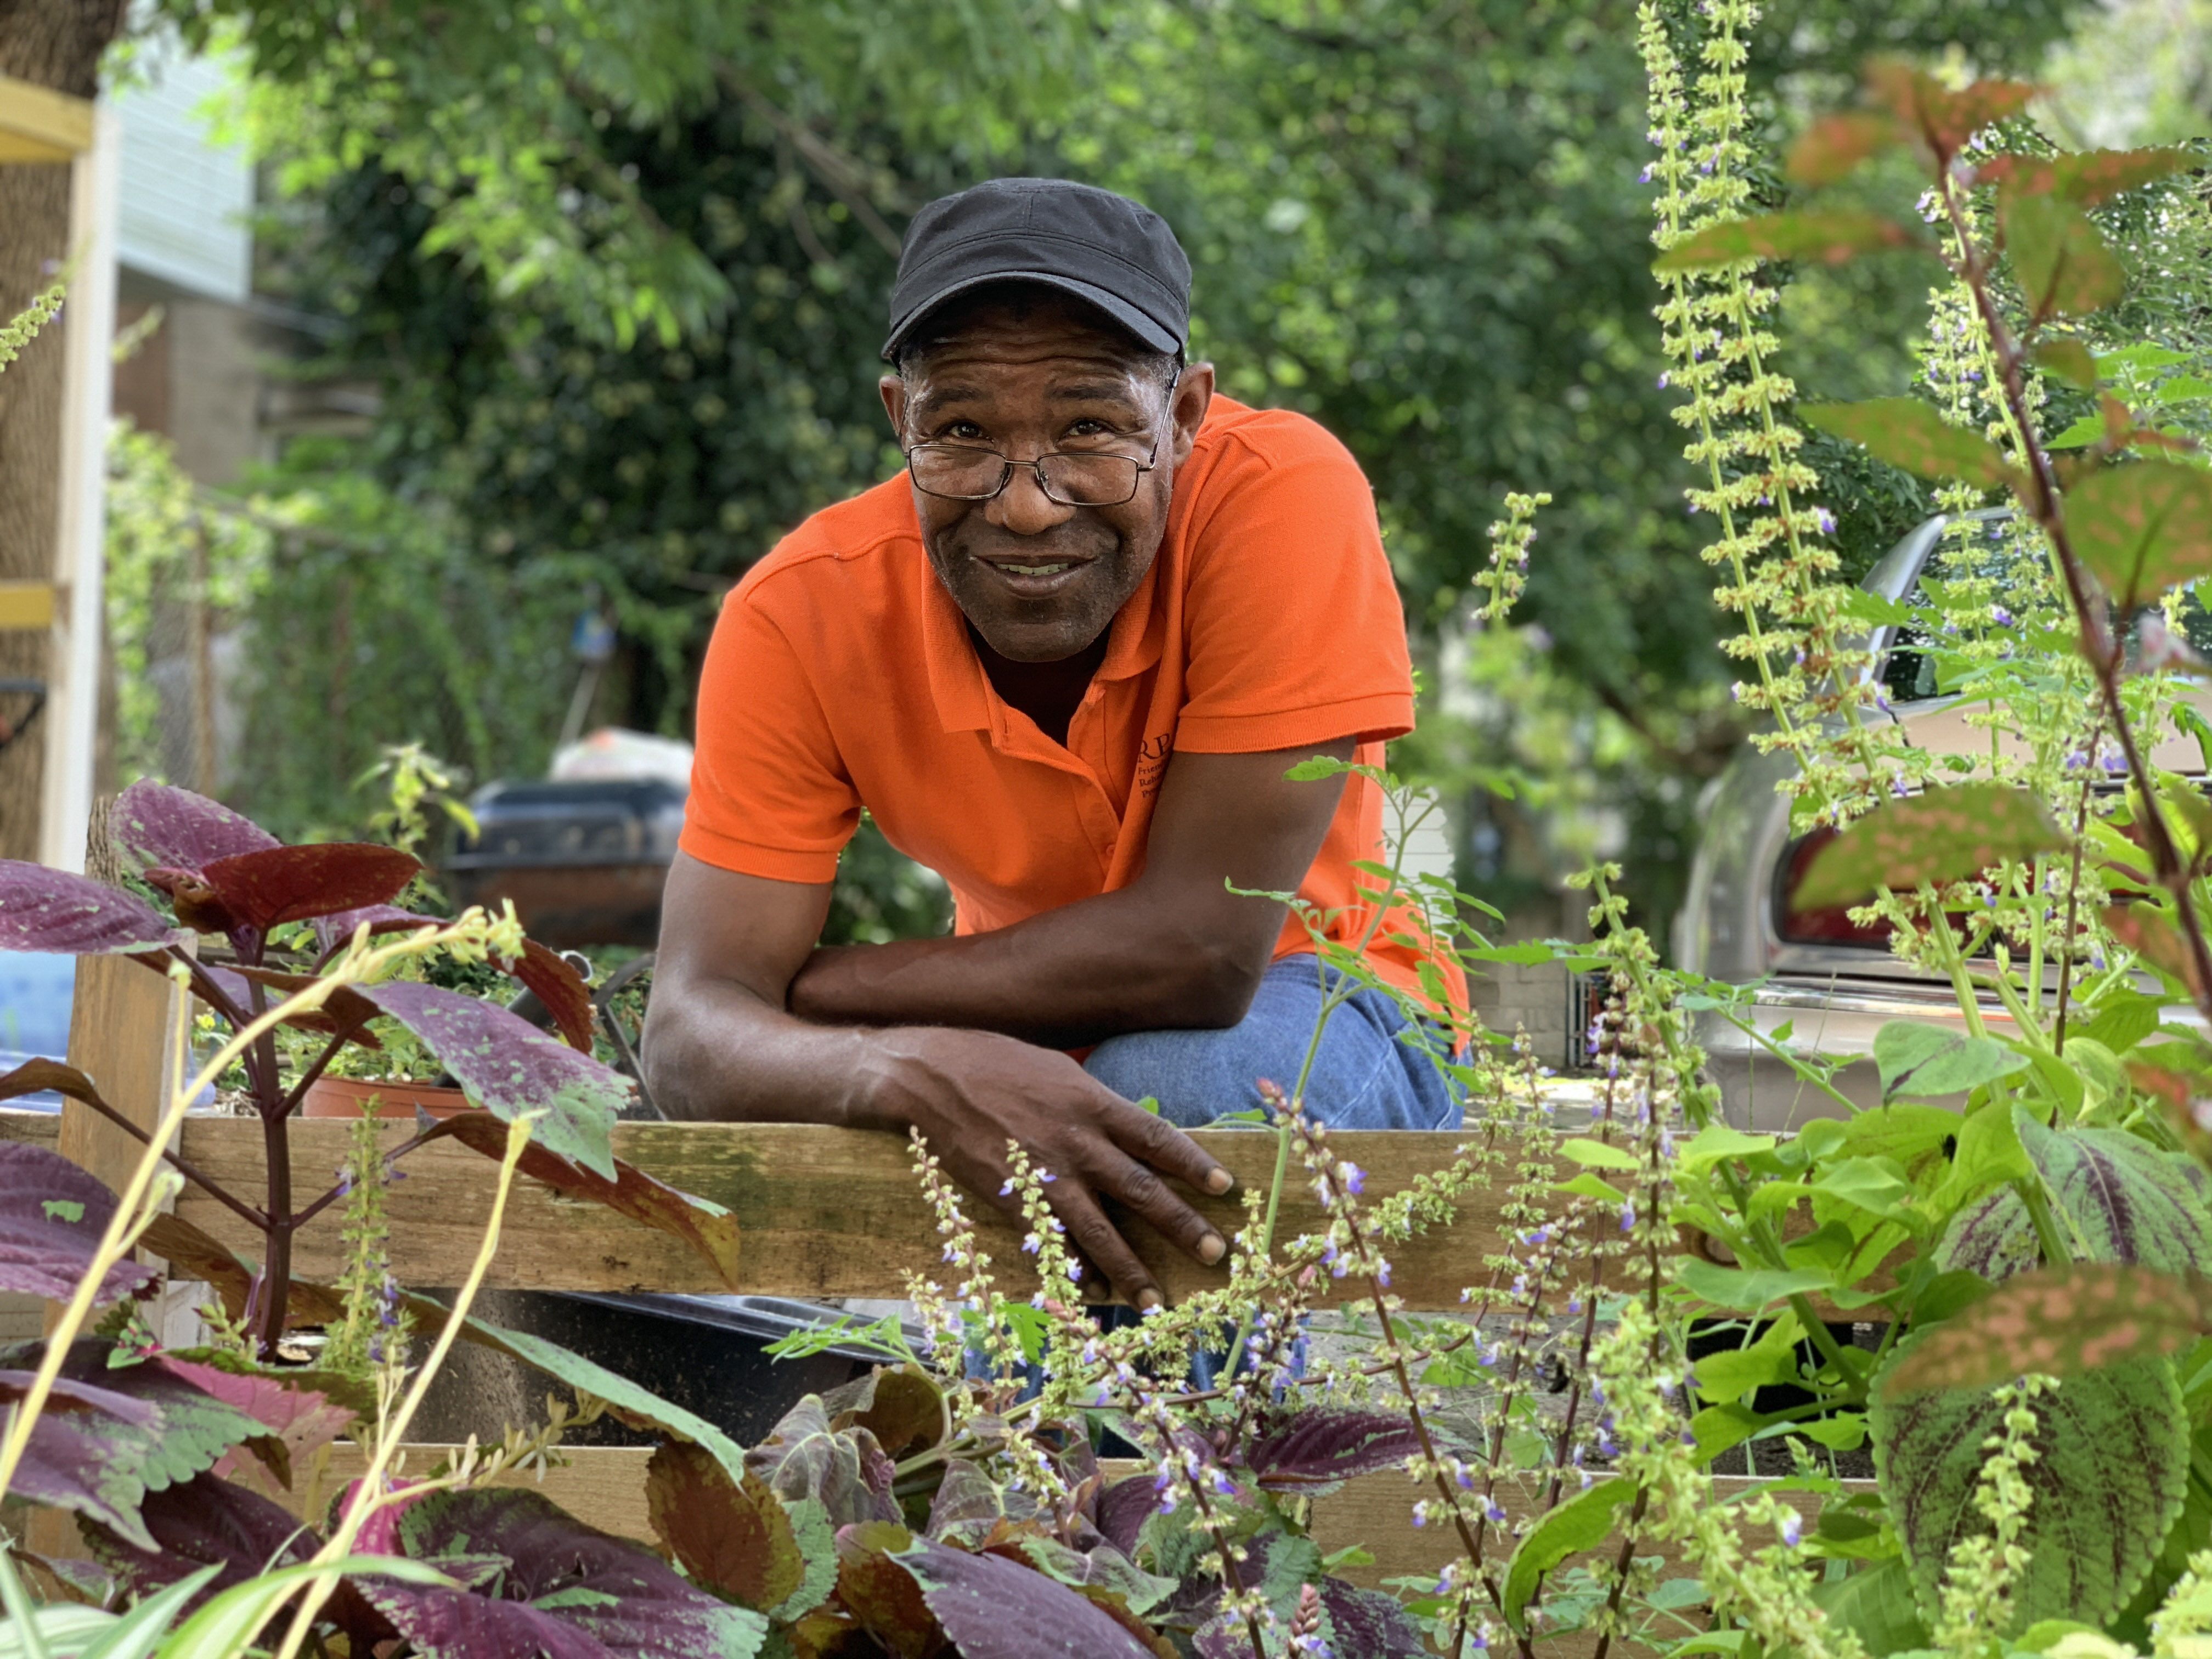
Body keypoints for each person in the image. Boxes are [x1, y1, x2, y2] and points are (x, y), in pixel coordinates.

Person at [644, 178, 1465, 1311]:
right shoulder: (801, 613)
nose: (1025, 504)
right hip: (1019, 1051)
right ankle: (1030, 1480)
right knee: (977, 1134)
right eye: (965, 432)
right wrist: (905, 1065)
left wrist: (817, 991)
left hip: (1335, 1004)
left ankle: (1149, 1482)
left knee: (1171, 1089)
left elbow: (1204, 954)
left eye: (1090, 428)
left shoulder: (1281, 495)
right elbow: (689, 1033)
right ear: (901, 422)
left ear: (1182, 416)